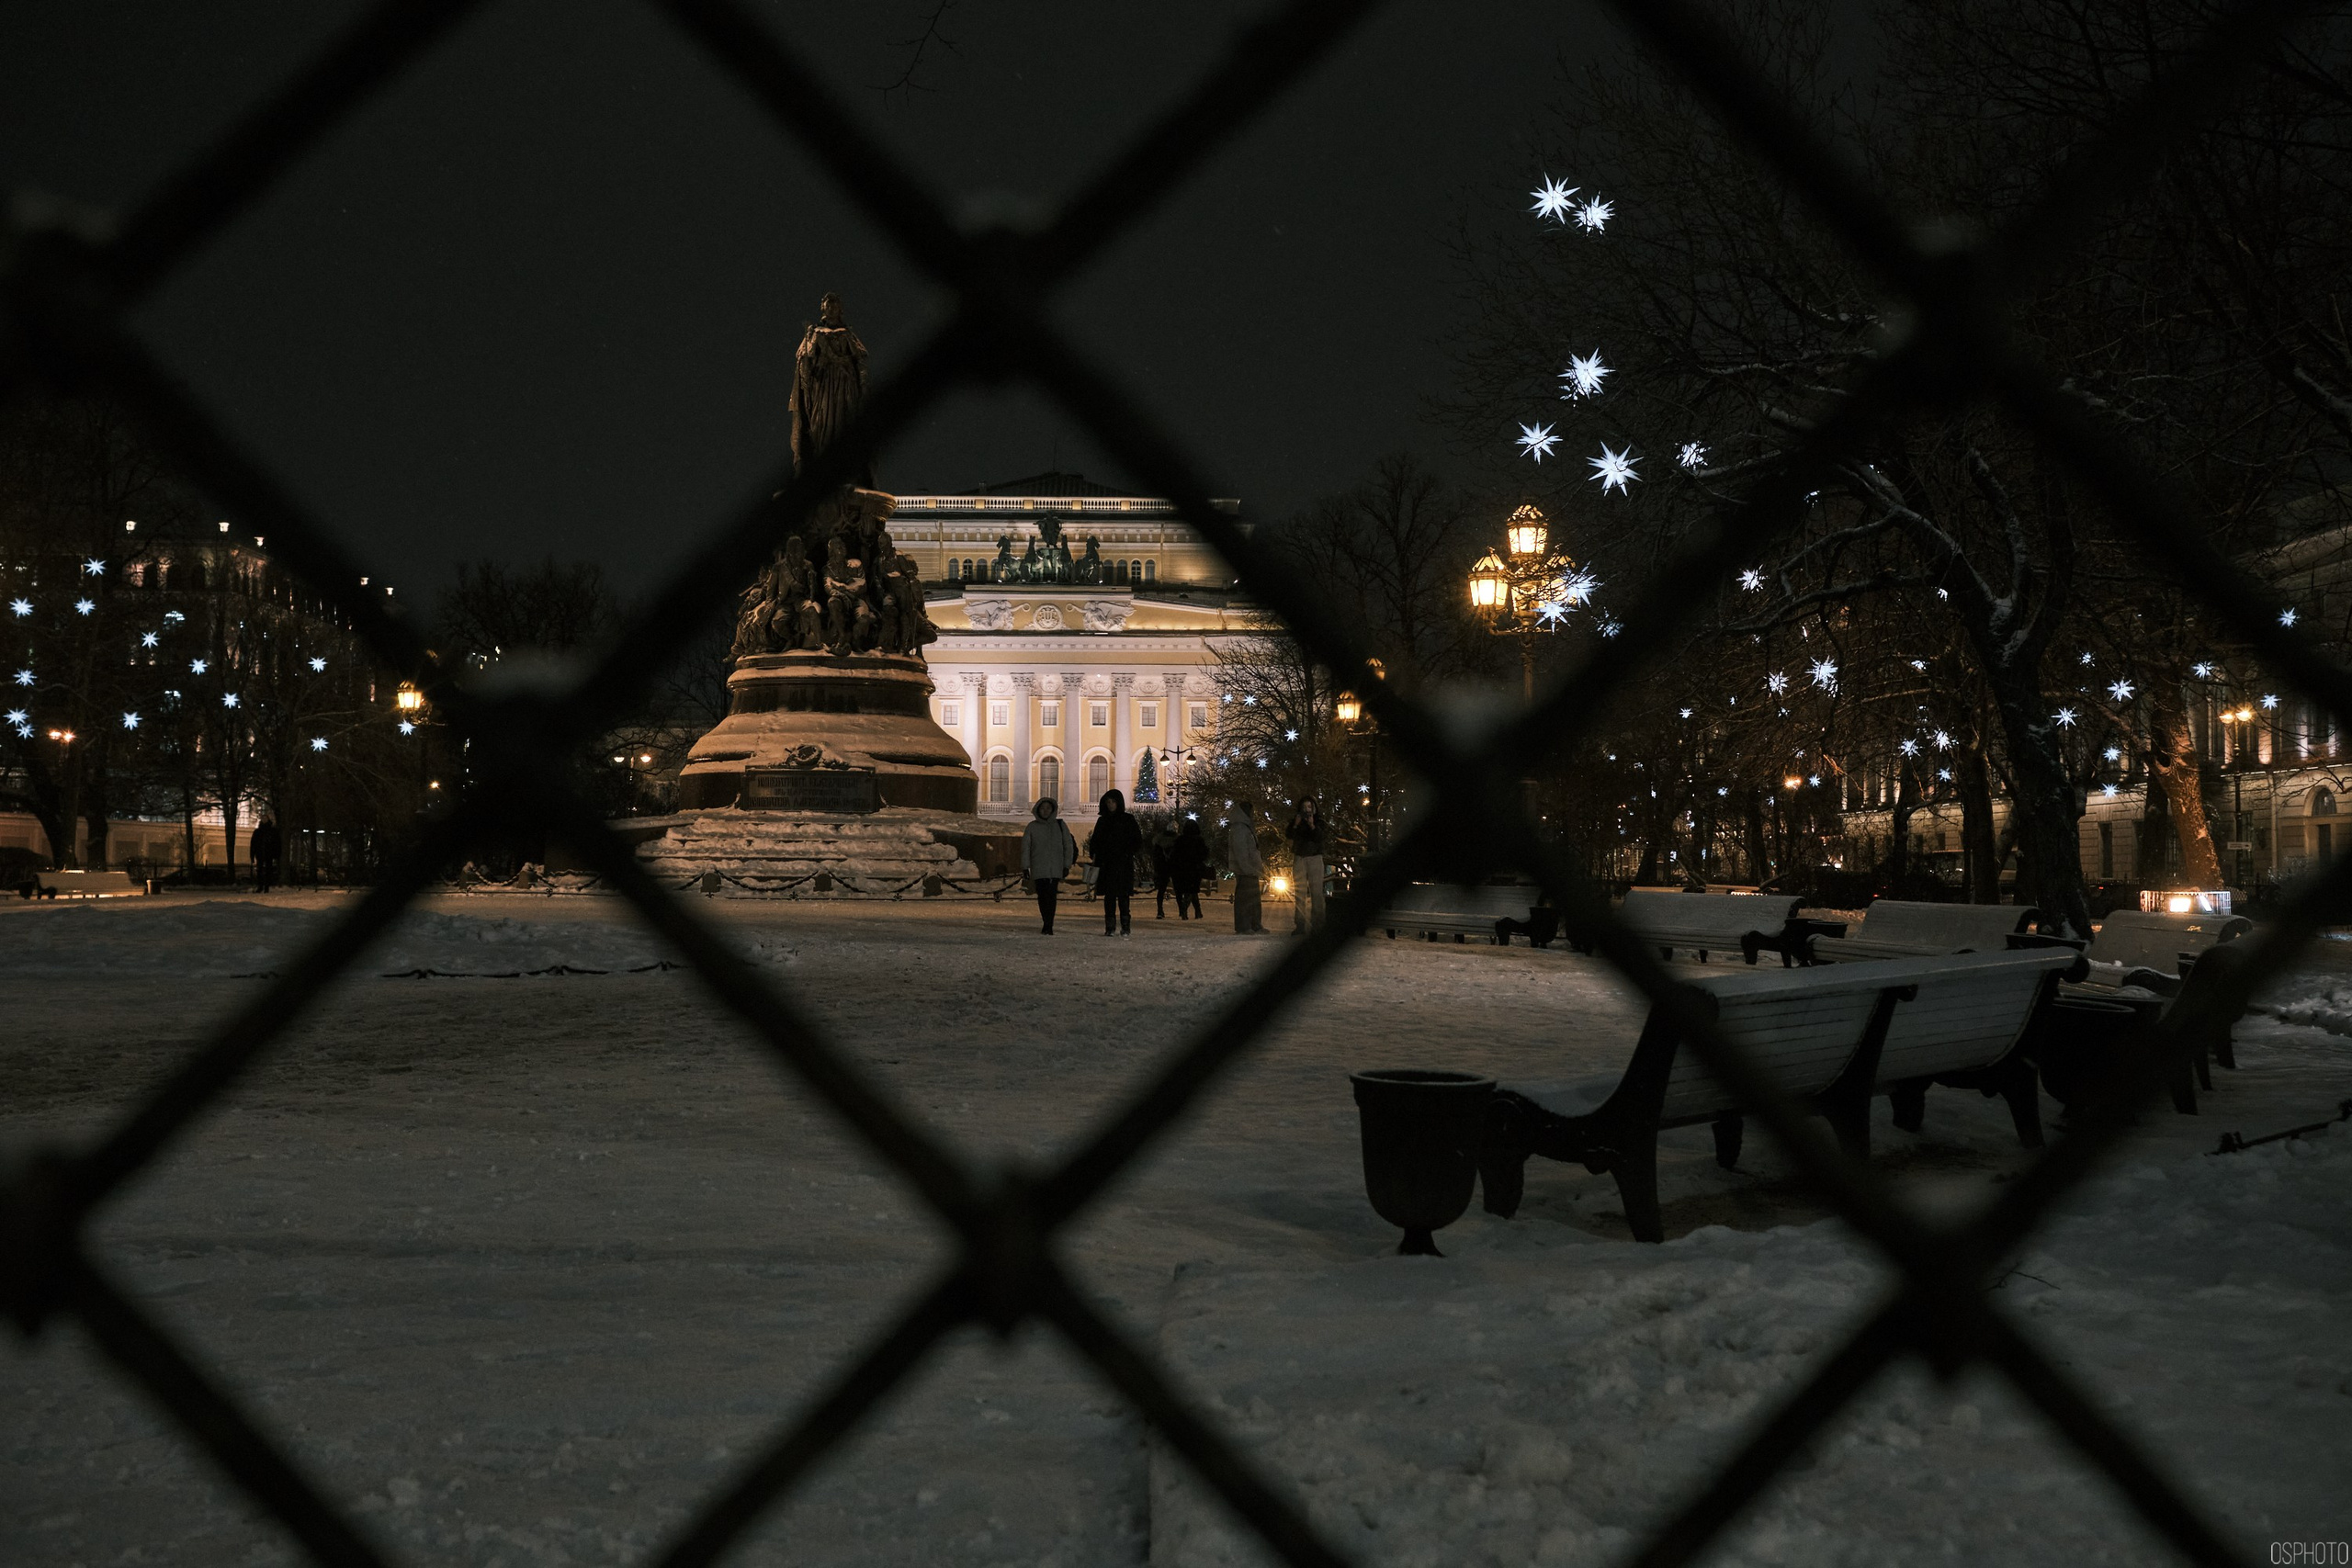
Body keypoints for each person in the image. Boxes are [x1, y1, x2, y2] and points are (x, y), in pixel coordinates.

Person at [1089, 788, 1144, 936]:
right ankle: (1110, 927)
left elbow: (1137, 840)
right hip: (1107, 864)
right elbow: (1095, 841)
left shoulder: (1128, 819)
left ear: (1118, 803)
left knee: (1123, 897)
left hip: (1123, 864)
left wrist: (1127, 852)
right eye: (1108, 802)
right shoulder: (1102, 821)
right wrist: (1094, 853)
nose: (1110, 805)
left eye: (1113, 802)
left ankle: (1125, 926)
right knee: (1109, 897)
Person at [1021, 797, 1079, 935]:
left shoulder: (1060, 825)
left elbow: (1068, 845)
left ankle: (1048, 924)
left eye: (1048, 808)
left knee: (1051, 897)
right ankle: (1046, 922)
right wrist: (1025, 867)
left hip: (1055, 867)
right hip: (1039, 867)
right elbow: (1025, 848)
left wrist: (1066, 865)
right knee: (1042, 897)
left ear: (1052, 810)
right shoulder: (1032, 827)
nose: (1045, 811)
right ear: (1038, 810)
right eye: (1042, 808)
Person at [1284, 800, 1328, 935]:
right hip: (1300, 858)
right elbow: (1289, 835)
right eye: (1304, 807)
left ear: (1314, 808)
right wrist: (1296, 825)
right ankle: (1300, 925)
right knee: (1299, 894)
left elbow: (1321, 838)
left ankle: (1318, 925)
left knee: (1317, 894)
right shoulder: (1296, 821)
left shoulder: (1319, 821)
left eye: (1309, 807)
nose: (1307, 810)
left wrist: (1313, 825)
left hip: (1315, 858)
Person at [1227, 800, 1266, 934]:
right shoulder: (1240, 828)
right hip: (1246, 870)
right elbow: (1241, 851)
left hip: (1250, 870)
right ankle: (1245, 925)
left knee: (1253, 899)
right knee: (1245, 900)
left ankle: (1254, 924)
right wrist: (1246, 868)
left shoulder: (1245, 827)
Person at [1170, 817, 1208, 920]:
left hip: (1182, 868)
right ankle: (1188, 910)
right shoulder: (1198, 840)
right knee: (1192, 890)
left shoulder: (1181, 840)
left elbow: (1175, 854)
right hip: (1195, 868)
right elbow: (1204, 854)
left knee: (1190, 890)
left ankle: (1193, 911)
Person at [1149, 821, 1178, 919]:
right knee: (1178, 890)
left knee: (1161, 890)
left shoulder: (1159, 841)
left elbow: (1155, 857)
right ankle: (1182, 911)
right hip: (1172, 867)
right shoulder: (1177, 840)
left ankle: (1160, 911)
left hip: (1163, 868)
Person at [248, 817, 282, 895]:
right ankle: (261, 886)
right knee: (260, 871)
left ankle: (265, 887)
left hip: (268, 854)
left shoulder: (271, 832)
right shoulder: (258, 832)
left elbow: (277, 844)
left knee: (267, 871)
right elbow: (253, 845)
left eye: (265, 819)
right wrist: (252, 856)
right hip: (261, 854)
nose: (264, 820)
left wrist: (276, 855)